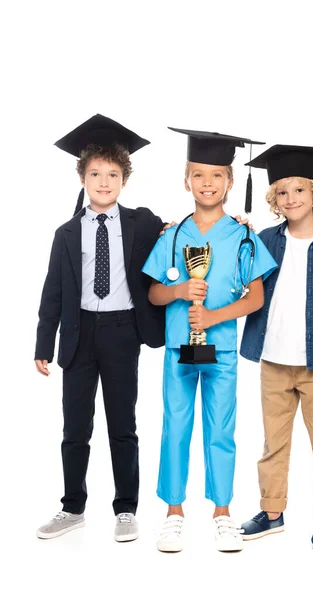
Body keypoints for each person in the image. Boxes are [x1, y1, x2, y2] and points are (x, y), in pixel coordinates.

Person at [142, 129, 277, 552]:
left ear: (230, 182)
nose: (207, 183)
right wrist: (179, 292)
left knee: (221, 429)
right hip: (180, 347)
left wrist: (215, 314)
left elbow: (255, 298)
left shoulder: (241, 237)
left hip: (219, 350)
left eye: (216, 175)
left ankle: (222, 512)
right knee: (175, 425)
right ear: (186, 180)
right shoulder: (173, 235)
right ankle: (174, 513)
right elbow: (153, 293)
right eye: (198, 175)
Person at [34, 114, 167, 542]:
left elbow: (181, 236)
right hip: (78, 335)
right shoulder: (66, 232)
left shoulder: (142, 223)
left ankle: (126, 508)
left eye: (112, 174)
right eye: (95, 174)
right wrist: (43, 342)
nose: (104, 182)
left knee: (122, 424)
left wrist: (233, 225)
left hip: (123, 332)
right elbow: (53, 291)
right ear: (82, 177)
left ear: (124, 179)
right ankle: (72, 506)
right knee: (75, 426)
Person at [239, 144, 313, 551]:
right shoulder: (264, 240)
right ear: (274, 198)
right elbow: (241, 280)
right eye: (283, 192)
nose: (291, 199)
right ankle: (272, 512)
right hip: (272, 360)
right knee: (274, 444)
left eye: (300, 191)